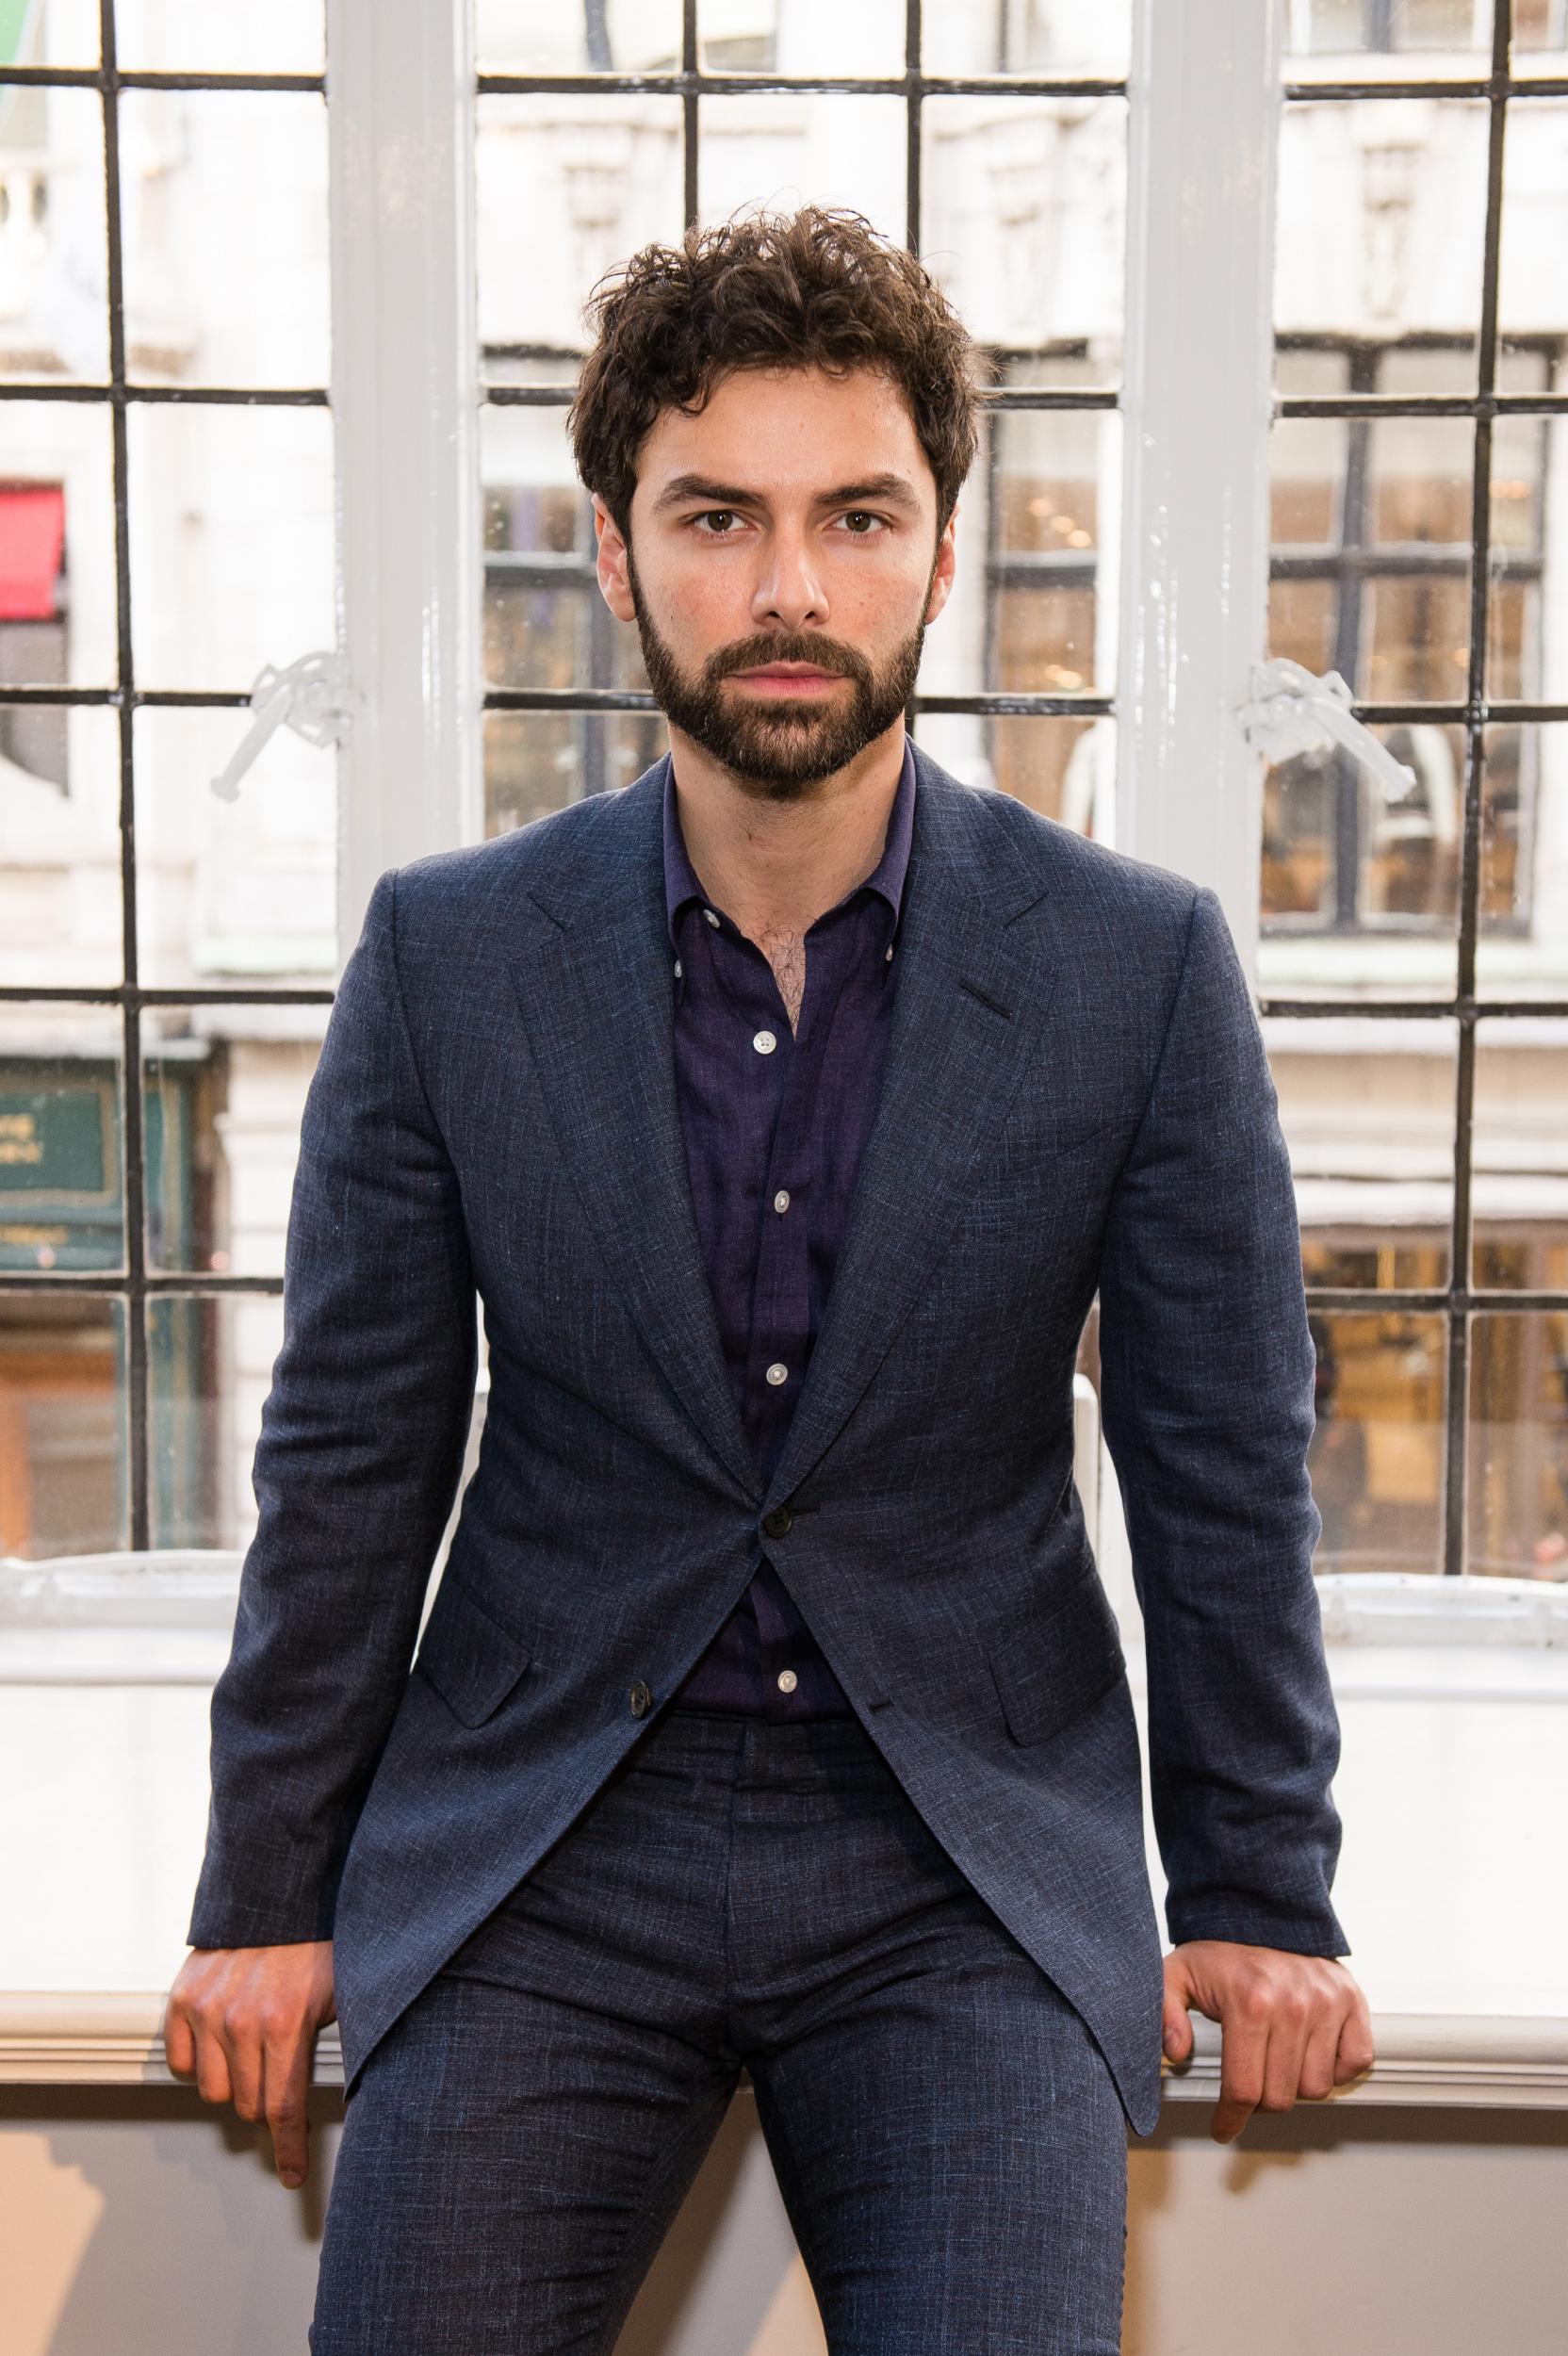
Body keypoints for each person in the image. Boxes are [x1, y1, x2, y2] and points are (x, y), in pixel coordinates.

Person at [165, 204, 1374, 2354]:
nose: (790, 585)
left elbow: (1220, 1466)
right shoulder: (447, 960)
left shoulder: (1136, 967)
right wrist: (265, 1892)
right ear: (618, 555)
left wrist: (1262, 1888)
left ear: (938, 549)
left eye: (857, 515)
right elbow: (349, 1453)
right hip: (553, 1835)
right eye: (718, 515)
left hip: (959, 1858)